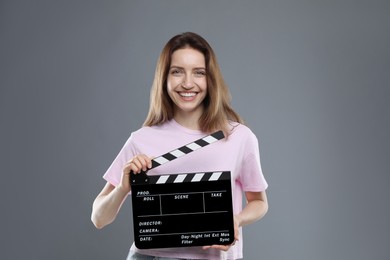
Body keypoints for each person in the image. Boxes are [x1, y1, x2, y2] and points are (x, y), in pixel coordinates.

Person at [91, 32, 268, 260]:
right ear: (164, 78)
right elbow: (99, 218)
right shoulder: (141, 139)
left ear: (210, 79)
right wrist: (123, 187)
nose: (187, 83)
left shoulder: (238, 137)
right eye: (177, 72)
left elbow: (260, 202)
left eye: (199, 73)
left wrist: (236, 220)